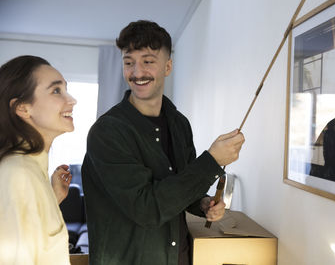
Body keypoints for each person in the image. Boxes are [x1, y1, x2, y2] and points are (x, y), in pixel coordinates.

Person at [81, 20, 245, 265]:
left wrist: (203, 204)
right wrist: (212, 161)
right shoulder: (106, 132)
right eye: (129, 62)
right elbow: (147, 209)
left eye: (148, 61)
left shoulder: (179, 124)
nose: (137, 72)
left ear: (167, 66)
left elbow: (184, 188)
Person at [0, 55, 77, 264]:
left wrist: (52, 198)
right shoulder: (18, 175)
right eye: (56, 91)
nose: (72, 100)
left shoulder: (30, 173)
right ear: (22, 108)